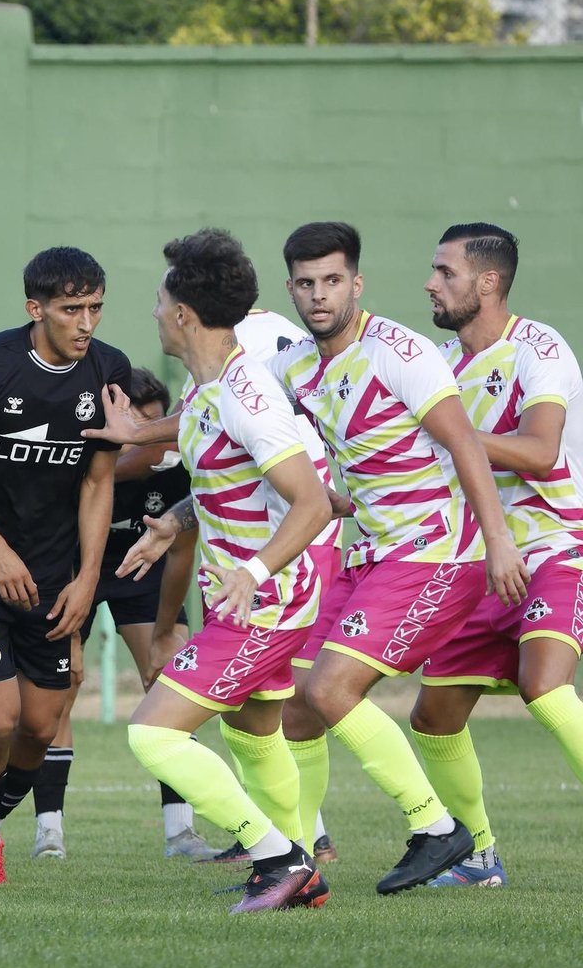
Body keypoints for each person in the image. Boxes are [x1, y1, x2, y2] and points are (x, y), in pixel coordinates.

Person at [262, 221, 526, 894]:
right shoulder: (293, 363)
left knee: (329, 689)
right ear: (290, 287)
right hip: (373, 555)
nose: (318, 295)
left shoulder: (399, 352)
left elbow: (466, 442)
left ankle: (437, 831)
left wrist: (499, 542)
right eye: (305, 283)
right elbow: (223, 410)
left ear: (356, 284)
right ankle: (297, 860)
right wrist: (142, 435)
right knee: (297, 705)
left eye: (331, 281)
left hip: (437, 554)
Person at [120, 228, 334, 913]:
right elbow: (225, 478)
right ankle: (297, 863)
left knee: (153, 732)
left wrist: (253, 571)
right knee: (253, 732)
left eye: (159, 300)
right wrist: (172, 527)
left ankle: (278, 861)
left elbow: (313, 503)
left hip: (262, 605)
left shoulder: (248, 396)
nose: (153, 311)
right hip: (250, 597)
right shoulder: (210, 389)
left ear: (183, 312)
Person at [0, 246, 127, 885]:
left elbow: (99, 484)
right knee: (0, 716)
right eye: (72, 309)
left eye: (95, 307)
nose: (86, 322)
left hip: (55, 574)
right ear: (35, 308)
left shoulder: (108, 371)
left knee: (40, 730)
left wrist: (89, 575)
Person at [412, 223, 583, 887]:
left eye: (444, 272)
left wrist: (457, 434)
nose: (430, 282)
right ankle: (479, 857)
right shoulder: (440, 368)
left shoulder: (539, 348)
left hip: (556, 547)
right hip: (482, 564)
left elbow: (541, 451)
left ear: (487, 283)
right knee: (433, 716)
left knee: (544, 685)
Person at [29, 368, 217, 861]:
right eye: (132, 431)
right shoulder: (74, 468)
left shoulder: (182, 470)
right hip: (73, 572)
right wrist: (69, 631)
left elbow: (181, 556)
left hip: (144, 577)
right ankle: (49, 830)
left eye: (153, 430)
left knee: (172, 682)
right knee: (59, 690)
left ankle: (181, 833)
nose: (146, 445)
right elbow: (50, 545)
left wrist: (163, 633)